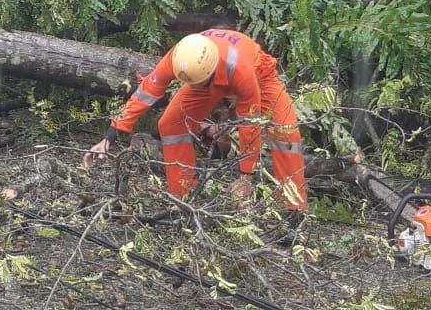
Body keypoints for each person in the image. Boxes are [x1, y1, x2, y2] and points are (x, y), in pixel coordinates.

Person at [83, 30, 308, 214]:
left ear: (210, 71)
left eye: (202, 82)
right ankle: (183, 197)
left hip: (258, 75)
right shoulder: (180, 58)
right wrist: (109, 136)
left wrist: (245, 176)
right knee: (171, 124)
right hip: (208, 78)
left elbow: (250, 121)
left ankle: (293, 210)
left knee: (287, 134)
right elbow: (146, 92)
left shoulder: (238, 69)